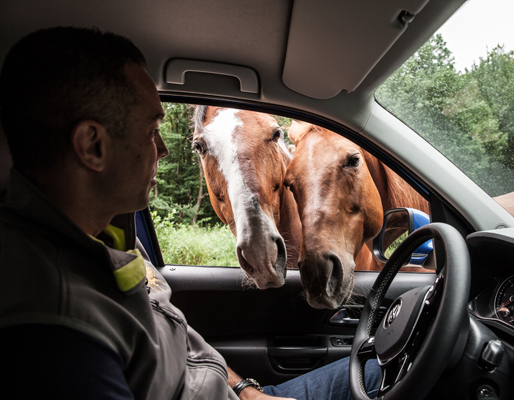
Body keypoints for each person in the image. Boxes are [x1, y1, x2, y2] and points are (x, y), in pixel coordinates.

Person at [0, 27, 380, 399]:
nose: (163, 151)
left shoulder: (105, 237)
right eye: (151, 131)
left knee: (382, 365)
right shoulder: (57, 328)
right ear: (92, 145)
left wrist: (246, 391)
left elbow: (178, 340)